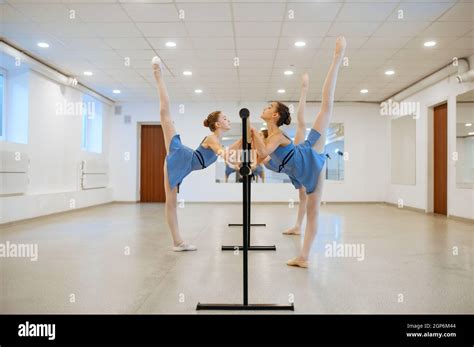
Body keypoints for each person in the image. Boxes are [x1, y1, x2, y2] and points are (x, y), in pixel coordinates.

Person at [251, 36, 347, 268]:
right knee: (305, 201)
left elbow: (265, 150)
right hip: (299, 171)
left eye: (269, 107)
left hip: (310, 157)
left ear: (274, 116)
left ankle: (337, 58)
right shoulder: (270, 137)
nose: (265, 108)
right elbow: (260, 157)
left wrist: (252, 132)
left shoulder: (278, 137)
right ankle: (297, 231)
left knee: (327, 106)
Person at [152, 56, 241, 251]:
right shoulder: (212, 139)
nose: (228, 120)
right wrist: (232, 162)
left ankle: (177, 242)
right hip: (181, 156)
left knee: (172, 203)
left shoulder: (217, 140)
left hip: (185, 164)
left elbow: (227, 150)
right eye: (225, 118)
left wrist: (245, 138)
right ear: (217, 124)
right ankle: (158, 75)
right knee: (165, 114)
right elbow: (221, 152)